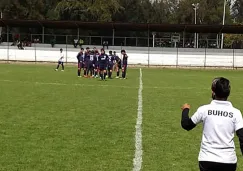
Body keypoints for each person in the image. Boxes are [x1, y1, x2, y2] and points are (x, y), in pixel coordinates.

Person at [181, 77, 243, 171]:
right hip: (228, 161)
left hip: (207, 160)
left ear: (213, 92)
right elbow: (242, 137)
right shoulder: (236, 113)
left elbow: (186, 125)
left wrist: (185, 110)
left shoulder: (204, 110)